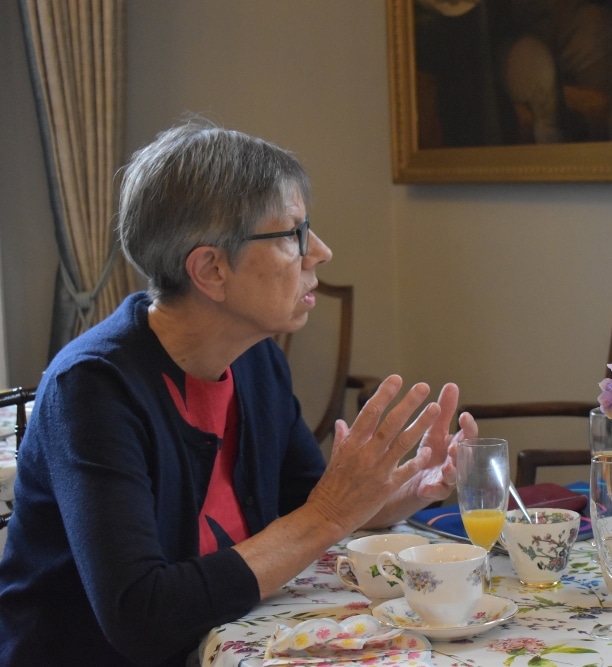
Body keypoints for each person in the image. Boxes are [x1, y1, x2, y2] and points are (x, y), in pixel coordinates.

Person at [0, 121, 477, 665]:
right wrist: (328, 510)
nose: (319, 251)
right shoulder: (93, 389)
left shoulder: (255, 361)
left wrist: (409, 487)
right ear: (210, 269)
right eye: (292, 234)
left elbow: (304, 506)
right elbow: (141, 617)